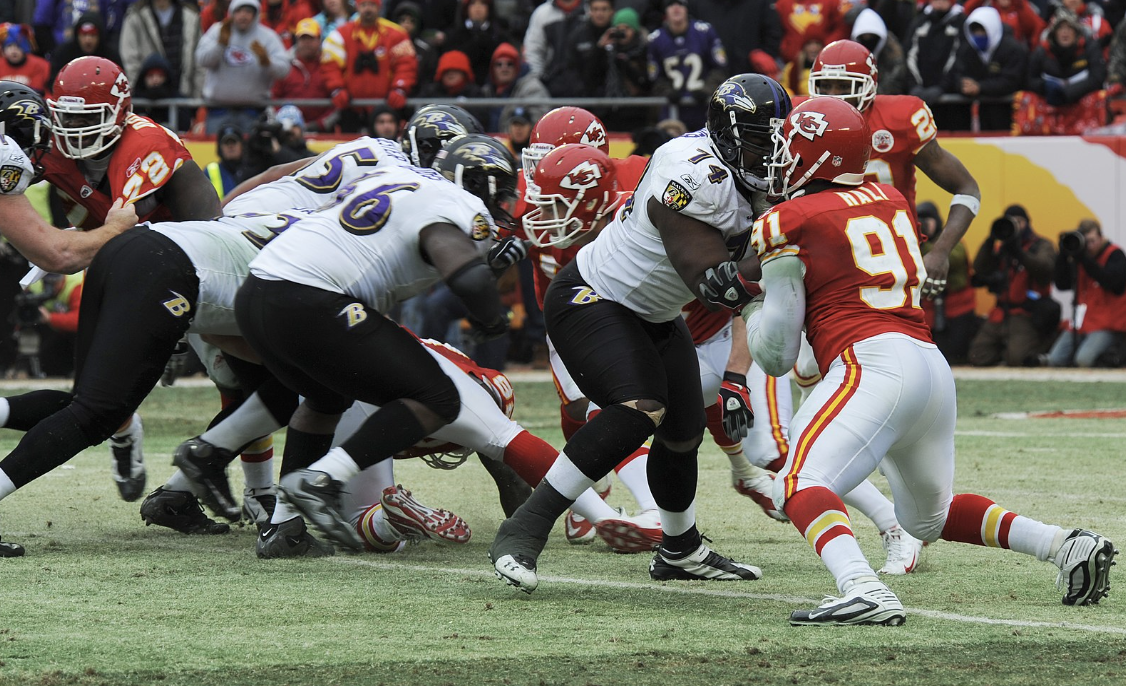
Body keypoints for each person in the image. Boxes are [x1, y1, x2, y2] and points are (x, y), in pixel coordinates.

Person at [745, 95, 1117, 625]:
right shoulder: (891, 197)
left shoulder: (789, 218)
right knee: (929, 519)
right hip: (928, 363)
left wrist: (752, 301)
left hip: (870, 362)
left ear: (819, 157)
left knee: (799, 483)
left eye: (791, 147)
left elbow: (778, 355)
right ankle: (1065, 545)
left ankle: (861, 586)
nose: (782, 158)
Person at [486, 74, 790, 594]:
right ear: (728, 134)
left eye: (777, 137)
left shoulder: (746, 173)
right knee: (639, 408)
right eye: (761, 138)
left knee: (683, 430)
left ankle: (680, 549)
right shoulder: (692, 177)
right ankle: (524, 528)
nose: (773, 151)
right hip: (592, 298)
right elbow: (715, 283)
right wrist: (791, 238)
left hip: (655, 312)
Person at [230, 135, 517, 552]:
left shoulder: (397, 176)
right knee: (437, 397)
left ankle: (283, 528)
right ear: (478, 183)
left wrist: (484, 265)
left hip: (257, 291)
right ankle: (322, 479)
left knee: (326, 398)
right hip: (313, 297)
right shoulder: (456, 202)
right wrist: (493, 320)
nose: (506, 207)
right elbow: (464, 274)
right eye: (503, 195)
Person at [39, 57, 221, 502]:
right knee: (96, 387)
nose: (73, 129)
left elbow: (127, 228)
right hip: (119, 256)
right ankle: (123, 433)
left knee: (236, 376)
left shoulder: (143, 142)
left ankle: (256, 490)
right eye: (66, 117)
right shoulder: (51, 150)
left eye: (86, 117)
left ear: (118, 112)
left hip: (190, 259)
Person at [808, 39, 982, 292]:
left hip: (891, 260)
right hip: (823, 256)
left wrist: (940, 252)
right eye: (826, 85)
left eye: (845, 85)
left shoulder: (901, 119)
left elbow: (967, 188)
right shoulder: (798, 118)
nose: (835, 95)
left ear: (870, 86)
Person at [968, 205, 1058, 367]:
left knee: (1017, 359)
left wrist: (1019, 253)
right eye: (1011, 222)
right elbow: (980, 267)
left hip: (1026, 313)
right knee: (977, 356)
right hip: (1001, 312)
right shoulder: (1003, 248)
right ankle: (1007, 349)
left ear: (1027, 223)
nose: (1016, 226)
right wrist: (991, 239)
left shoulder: (1041, 245)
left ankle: (1045, 343)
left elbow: (1045, 269)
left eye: (1019, 221)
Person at [322, 0, 417, 132]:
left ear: (379, 7)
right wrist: (337, 89)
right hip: (351, 108)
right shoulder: (340, 35)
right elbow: (330, 66)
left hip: (386, 107)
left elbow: (406, 65)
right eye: (364, 5)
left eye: (372, 5)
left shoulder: (397, 34)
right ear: (357, 7)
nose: (368, 9)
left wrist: (399, 88)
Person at [196, 0, 289, 134]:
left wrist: (267, 62)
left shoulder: (267, 36)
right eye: (239, 11)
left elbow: (284, 70)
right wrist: (220, 45)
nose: (243, 16)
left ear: (256, 14)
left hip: (253, 112)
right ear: (231, 12)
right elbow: (201, 60)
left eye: (248, 11)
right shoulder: (218, 30)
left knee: (253, 153)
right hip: (218, 111)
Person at [1046, 219, 1126, 367]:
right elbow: (1062, 285)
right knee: (1055, 360)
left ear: (1101, 238)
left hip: (1106, 325)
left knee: (1083, 360)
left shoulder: (1115, 255)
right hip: (1080, 323)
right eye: (1086, 242)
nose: (1089, 247)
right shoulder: (1079, 259)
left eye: (1092, 241)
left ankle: (1112, 355)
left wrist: (1084, 258)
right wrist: (1063, 255)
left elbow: (1111, 282)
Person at [943, 6, 1028, 131]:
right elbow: (956, 73)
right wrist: (963, 85)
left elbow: (1012, 81)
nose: (978, 35)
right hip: (981, 115)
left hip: (1009, 114)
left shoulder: (1013, 50)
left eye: (982, 31)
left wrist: (980, 87)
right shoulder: (968, 49)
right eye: (975, 31)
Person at [646, 0, 728, 130]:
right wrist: (667, 91)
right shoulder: (656, 39)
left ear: (687, 8)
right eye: (671, 4)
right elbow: (655, 77)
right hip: (673, 112)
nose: (676, 8)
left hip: (704, 108)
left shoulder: (704, 31)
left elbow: (719, 68)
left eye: (680, 4)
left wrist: (707, 90)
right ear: (665, 11)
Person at [917, 201, 981, 366]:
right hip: (929, 312)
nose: (924, 225)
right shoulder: (912, 243)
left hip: (957, 309)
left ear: (937, 221)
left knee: (955, 356)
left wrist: (924, 245)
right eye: (920, 221)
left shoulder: (950, 240)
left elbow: (955, 258)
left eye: (927, 220)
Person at [119, 0, 204, 102]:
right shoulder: (135, 17)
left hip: (184, 100)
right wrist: (139, 91)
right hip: (147, 101)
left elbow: (200, 62)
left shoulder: (191, 17)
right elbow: (130, 59)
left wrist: (196, 99)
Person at [904, 0, 966, 130]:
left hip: (952, 104)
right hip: (922, 99)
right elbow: (910, 55)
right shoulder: (920, 22)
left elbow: (959, 57)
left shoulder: (961, 23)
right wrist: (915, 86)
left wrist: (942, 87)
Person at [48, 12, 123, 85]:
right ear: (77, 35)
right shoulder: (63, 53)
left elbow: (121, 81)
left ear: (100, 36)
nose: (88, 40)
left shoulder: (111, 56)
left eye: (93, 35)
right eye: (84, 35)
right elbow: (53, 81)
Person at [0, 23, 50, 93]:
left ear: (25, 47)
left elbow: (38, 91)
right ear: (3, 49)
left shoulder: (39, 65)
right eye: (9, 46)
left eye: (18, 46)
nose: (14, 50)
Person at [205, 124, 246, 198]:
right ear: (220, 148)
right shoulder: (209, 172)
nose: (230, 146)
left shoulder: (252, 170)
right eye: (226, 143)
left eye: (234, 142)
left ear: (242, 145)